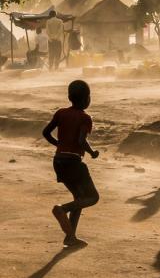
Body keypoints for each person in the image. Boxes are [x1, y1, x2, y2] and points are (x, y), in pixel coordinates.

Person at [42, 80, 100, 247]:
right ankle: (62, 209)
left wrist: (59, 145)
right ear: (87, 99)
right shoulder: (85, 117)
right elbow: (81, 140)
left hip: (58, 160)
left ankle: (70, 237)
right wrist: (92, 152)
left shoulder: (61, 113)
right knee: (93, 197)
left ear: (69, 97)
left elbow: (46, 133)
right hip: (74, 162)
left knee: (79, 198)